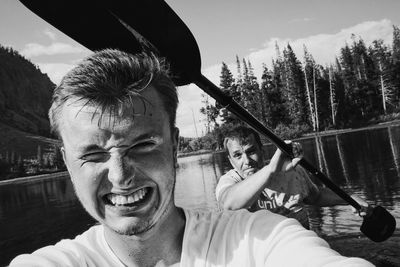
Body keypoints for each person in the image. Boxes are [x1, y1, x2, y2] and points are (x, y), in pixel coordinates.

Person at [10, 49, 373, 267]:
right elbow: (231, 200)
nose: (120, 176)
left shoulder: (260, 237)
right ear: (67, 163)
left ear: (174, 146)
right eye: (92, 154)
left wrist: (355, 203)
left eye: (142, 145)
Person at [216, 126, 370, 229]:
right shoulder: (230, 181)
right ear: (230, 160)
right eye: (237, 155)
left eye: (251, 151)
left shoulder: (291, 170)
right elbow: (229, 205)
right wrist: (271, 170)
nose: (247, 161)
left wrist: (350, 198)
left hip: (303, 245)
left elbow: (316, 196)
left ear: (262, 151)